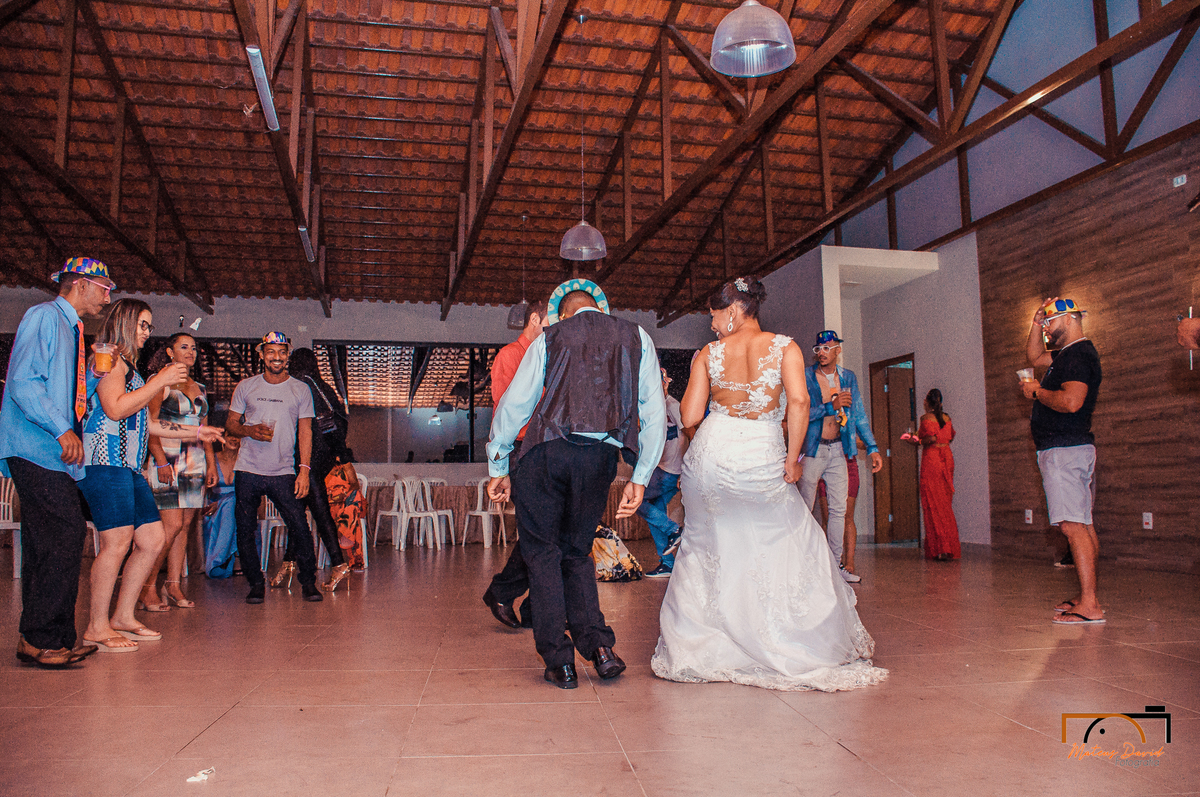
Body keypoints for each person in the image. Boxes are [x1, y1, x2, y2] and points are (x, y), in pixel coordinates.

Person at [651, 277, 886, 692]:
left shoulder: (708, 354)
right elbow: (799, 402)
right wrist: (793, 459)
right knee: (783, 538)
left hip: (712, 455)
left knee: (710, 544)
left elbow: (689, 416)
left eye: (714, 315)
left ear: (734, 311)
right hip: (760, 453)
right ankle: (778, 638)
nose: (711, 325)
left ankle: (711, 643)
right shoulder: (785, 348)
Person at [486, 279, 666, 689]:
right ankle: (600, 649)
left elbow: (516, 404)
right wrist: (640, 476)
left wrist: (498, 463)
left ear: (562, 314)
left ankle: (560, 662)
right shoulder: (636, 336)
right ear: (600, 309)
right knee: (577, 552)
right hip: (599, 457)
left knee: (543, 555)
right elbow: (653, 412)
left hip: (546, 454)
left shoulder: (551, 337)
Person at [79, 299, 224, 651]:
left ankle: (122, 616)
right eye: (142, 325)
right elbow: (115, 409)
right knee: (117, 543)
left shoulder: (131, 369)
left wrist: (196, 432)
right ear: (125, 323)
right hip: (104, 461)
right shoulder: (109, 360)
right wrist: (159, 381)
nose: (147, 332)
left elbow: (148, 424)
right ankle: (97, 626)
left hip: (128, 466)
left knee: (153, 539)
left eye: (149, 326)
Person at [0, 257, 114, 667]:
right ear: (81, 284)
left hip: (51, 452)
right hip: (36, 446)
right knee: (66, 533)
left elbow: (68, 391)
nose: (107, 297)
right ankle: (44, 637)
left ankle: (44, 639)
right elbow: (23, 382)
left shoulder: (73, 329)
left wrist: (95, 374)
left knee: (45, 542)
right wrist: (62, 429)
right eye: (104, 288)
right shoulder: (45, 316)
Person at [1021, 297, 1104, 625]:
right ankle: (1087, 596)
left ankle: (1090, 605)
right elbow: (1033, 356)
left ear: (1070, 319)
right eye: (1043, 323)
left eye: (1050, 322)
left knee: (1072, 525)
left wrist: (1037, 392)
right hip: (1068, 449)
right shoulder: (1067, 354)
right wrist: (1035, 321)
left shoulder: (1078, 356)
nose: (1046, 329)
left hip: (1064, 450)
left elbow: (1071, 402)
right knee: (1082, 524)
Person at [226, 332, 320, 604]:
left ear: (288, 355)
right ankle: (256, 584)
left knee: (299, 526)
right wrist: (249, 430)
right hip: (248, 469)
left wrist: (304, 470)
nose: (276, 357)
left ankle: (308, 582)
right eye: (271, 351)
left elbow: (306, 431)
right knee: (245, 528)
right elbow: (231, 423)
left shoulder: (300, 390)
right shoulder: (246, 386)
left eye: (281, 352)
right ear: (262, 354)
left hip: (283, 471)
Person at [481, 298, 548, 629]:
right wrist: (501, 467)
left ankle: (533, 605)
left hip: (545, 449)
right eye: (550, 323)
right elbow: (503, 411)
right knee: (540, 530)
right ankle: (505, 593)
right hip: (521, 449)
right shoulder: (510, 355)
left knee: (546, 530)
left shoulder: (547, 356)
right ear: (535, 319)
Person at [139, 332, 217, 610]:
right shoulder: (159, 381)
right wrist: (160, 461)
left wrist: (210, 462)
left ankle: (172, 585)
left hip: (195, 460)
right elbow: (149, 424)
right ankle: (146, 587)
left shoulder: (200, 387)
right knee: (170, 527)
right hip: (168, 458)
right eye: (184, 347)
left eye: (194, 348)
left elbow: (204, 427)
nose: (190, 352)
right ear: (170, 352)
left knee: (184, 526)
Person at [798, 331, 882, 583]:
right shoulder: (806, 376)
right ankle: (801, 566)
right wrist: (830, 406)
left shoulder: (848, 377)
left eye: (827, 348)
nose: (821, 353)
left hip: (838, 449)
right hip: (813, 449)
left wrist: (873, 446)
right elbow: (800, 412)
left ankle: (836, 568)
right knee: (804, 508)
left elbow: (859, 414)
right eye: (818, 349)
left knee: (839, 510)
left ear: (838, 350)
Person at [266, 348, 352, 593]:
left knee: (317, 512)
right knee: (300, 512)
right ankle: (288, 563)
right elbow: (338, 421)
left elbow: (325, 422)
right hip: (320, 459)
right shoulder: (322, 386)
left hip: (307, 459)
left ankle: (338, 564)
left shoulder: (303, 385)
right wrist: (340, 455)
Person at [638, 368, 687, 577]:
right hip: (659, 469)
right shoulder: (652, 407)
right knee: (654, 510)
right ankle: (667, 563)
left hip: (672, 471)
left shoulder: (673, 405)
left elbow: (689, 433)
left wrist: (686, 469)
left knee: (637, 501)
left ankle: (673, 529)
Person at [905, 389, 960, 561]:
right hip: (947, 458)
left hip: (933, 459)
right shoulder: (947, 418)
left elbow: (927, 439)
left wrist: (911, 439)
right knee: (944, 503)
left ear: (926, 402)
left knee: (932, 503)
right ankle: (949, 546)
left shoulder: (926, 418)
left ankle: (940, 548)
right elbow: (949, 436)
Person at [203, 434, 240, 578]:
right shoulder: (212, 460)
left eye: (239, 436)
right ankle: (228, 557)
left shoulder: (244, 461)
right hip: (214, 509)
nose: (235, 439)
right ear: (222, 438)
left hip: (240, 507)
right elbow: (204, 491)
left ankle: (220, 560)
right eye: (231, 435)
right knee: (231, 504)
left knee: (232, 502)